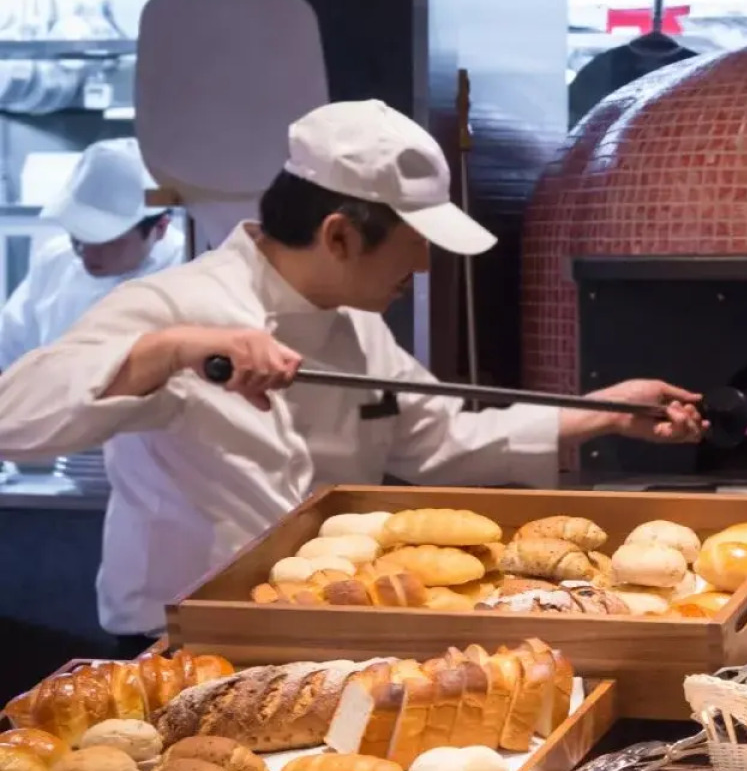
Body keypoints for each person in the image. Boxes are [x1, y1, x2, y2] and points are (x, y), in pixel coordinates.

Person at [0, 99, 704, 642]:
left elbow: (436, 440)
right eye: (413, 244)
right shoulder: (172, 305)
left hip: (321, 621)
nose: (425, 267)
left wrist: (604, 412)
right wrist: (168, 350)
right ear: (338, 234)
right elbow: (16, 420)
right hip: (181, 631)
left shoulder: (358, 324)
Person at [0, 138, 185, 369]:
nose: (87, 254)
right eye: (78, 239)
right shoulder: (56, 260)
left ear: (159, 228)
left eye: (107, 242)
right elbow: (9, 350)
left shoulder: (187, 271)